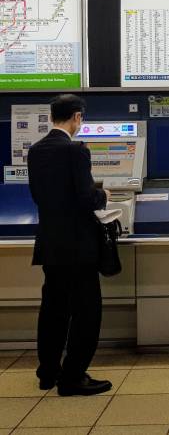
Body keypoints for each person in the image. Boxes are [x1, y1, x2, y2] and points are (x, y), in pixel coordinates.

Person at [27, 94, 112, 396]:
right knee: (87, 312)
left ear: (51, 117)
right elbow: (86, 198)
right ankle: (73, 376)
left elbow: (39, 196)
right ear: (77, 117)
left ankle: (48, 372)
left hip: (51, 244)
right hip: (79, 247)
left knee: (53, 309)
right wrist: (104, 196)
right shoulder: (75, 151)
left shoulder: (36, 151)